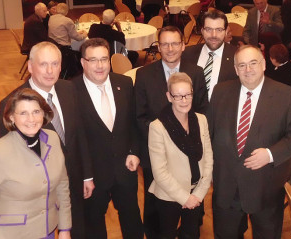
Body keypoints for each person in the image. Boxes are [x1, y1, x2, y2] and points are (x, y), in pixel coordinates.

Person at [207, 45, 291, 239]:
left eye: (253, 63)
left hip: (266, 186)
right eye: (242, 65)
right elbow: (208, 133)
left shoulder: (287, 96)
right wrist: (209, 169)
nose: (248, 69)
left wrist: (270, 154)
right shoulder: (221, 91)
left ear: (263, 65)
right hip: (227, 185)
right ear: (236, 69)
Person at [0, 41, 93, 239]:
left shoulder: (69, 89)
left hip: (73, 182)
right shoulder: (11, 104)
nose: (50, 71)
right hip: (38, 193)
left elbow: (80, 134)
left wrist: (87, 175)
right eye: (43, 64)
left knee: (79, 232)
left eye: (55, 64)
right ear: (31, 67)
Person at [134, 25, 208, 239]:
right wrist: (166, 138)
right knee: (156, 212)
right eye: (164, 44)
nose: (170, 49)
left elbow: (202, 109)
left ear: (183, 45)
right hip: (157, 154)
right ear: (158, 47)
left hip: (190, 155)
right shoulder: (144, 74)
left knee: (190, 210)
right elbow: (139, 116)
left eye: (175, 43)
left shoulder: (196, 72)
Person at [72, 38, 144, 239]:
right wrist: (85, 175)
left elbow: (134, 124)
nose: (100, 65)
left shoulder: (125, 83)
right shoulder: (70, 91)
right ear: (83, 62)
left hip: (125, 169)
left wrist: (134, 152)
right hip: (92, 176)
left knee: (132, 220)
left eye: (104, 59)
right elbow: (73, 140)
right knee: (93, 225)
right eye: (93, 60)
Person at [0, 88, 71, 239]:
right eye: (23, 113)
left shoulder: (52, 138)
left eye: (36, 112)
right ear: (12, 117)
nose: (31, 119)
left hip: (48, 231)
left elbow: (62, 186)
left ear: (44, 113)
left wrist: (65, 228)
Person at [148, 72, 213, 238]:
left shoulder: (201, 120)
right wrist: (185, 198)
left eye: (188, 95)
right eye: (178, 96)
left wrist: (198, 194)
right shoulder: (157, 127)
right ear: (169, 97)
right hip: (169, 196)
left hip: (196, 193)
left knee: (191, 235)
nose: (184, 100)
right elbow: (159, 172)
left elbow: (208, 159)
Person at [181, 10, 237, 100]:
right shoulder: (187, 54)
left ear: (226, 31)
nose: (213, 35)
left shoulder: (237, 56)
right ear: (202, 31)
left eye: (219, 30)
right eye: (208, 29)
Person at [48, 3, 87, 79]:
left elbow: (62, 31)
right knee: (83, 43)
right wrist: (85, 34)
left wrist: (76, 33)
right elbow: (77, 38)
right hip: (64, 49)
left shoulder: (51, 18)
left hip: (54, 45)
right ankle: (79, 70)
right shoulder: (67, 21)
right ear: (66, 11)